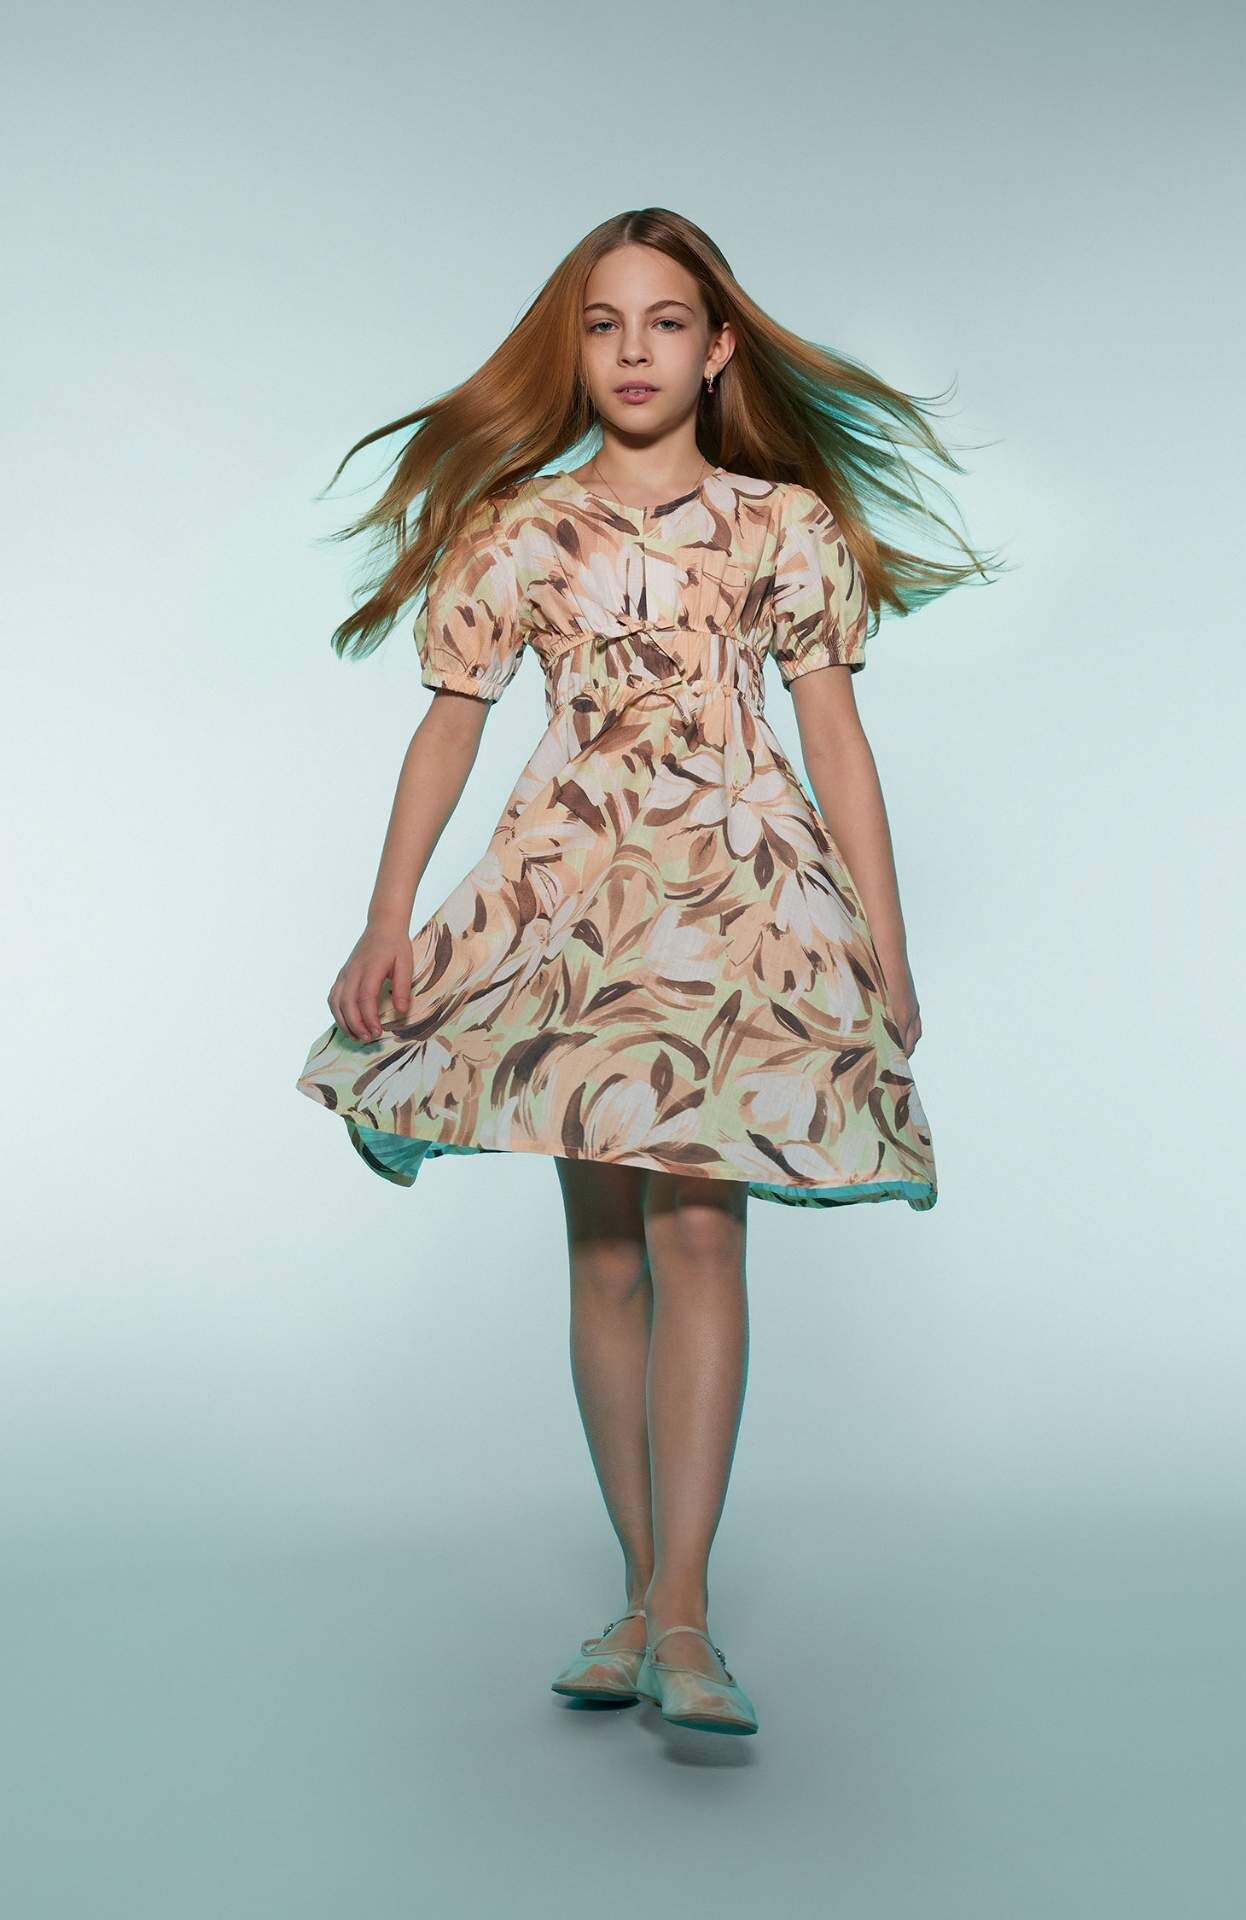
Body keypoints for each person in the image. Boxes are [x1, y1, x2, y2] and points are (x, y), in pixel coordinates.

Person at [295, 208, 1002, 1737]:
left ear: (718, 345)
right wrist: (385, 918)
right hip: (572, 908)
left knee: (701, 1239)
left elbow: (833, 739)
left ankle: (683, 1610)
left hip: (740, 901)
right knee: (605, 1251)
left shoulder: (784, 528)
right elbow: (449, 725)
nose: (634, 351)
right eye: (605, 323)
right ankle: (640, 1596)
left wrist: (884, 944)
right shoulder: (517, 530)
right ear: (578, 349)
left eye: (666, 321)